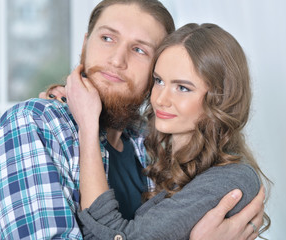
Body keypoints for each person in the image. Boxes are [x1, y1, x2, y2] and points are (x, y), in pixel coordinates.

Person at [0, 0, 265, 239]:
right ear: (85, 45)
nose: (116, 60)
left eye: (139, 49)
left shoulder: (148, 143)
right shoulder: (33, 126)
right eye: (107, 38)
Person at [66, 23, 271, 239]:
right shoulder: (163, 159)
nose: (161, 100)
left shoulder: (232, 179)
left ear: (221, 99)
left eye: (182, 88)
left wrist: (88, 125)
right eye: (159, 81)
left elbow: (117, 236)